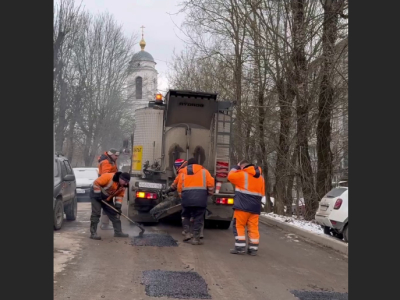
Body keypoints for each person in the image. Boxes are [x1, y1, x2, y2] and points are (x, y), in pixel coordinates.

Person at [172, 158, 214, 245]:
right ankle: (196, 239)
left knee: (185, 215)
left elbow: (179, 186)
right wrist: (209, 194)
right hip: (201, 199)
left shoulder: (182, 172)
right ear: (197, 164)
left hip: (186, 198)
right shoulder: (204, 172)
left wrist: (181, 196)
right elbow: (211, 184)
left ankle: (187, 234)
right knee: (198, 218)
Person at [227, 160, 265, 256]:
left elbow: (230, 176)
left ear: (242, 167)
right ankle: (253, 249)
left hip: (242, 207)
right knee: (253, 227)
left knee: (238, 226)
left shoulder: (242, 174)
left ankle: (240, 248)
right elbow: (262, 193)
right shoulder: (261, 178)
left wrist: (236, 167)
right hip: (255, 207)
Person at [89, 171, 130, 240]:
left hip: (107, 198)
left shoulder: (123, 186)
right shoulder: (108, 177)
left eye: (127, 182)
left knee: (114, 213)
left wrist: (118, 207)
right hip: (96, 195)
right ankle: (93, 233)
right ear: (121, 178)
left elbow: (119, 196)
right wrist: (97, 194)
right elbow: (96, 183)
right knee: (96, 213)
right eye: (125, 181)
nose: (126, 183)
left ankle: (118, 232)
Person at [97, 148, 120, 230]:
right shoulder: (106, 162)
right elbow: (105, 176)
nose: (117, 157)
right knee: (107, 205)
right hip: (105, 187)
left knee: (107, 205)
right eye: (116, 155)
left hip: (108, 186)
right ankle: (104, 224)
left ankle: (105, 224)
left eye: (118, 155)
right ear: (111, 154)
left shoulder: (111, 161)